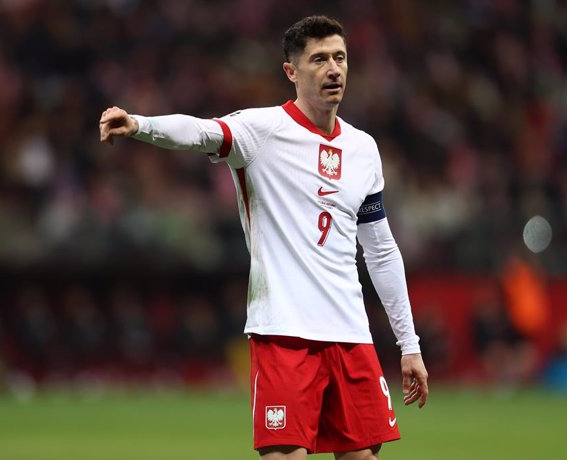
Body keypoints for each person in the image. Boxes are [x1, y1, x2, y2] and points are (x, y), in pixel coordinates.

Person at [99, 15, 428, 460]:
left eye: (340, 57)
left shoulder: (363, 149)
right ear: (291, 71)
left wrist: (409, 345)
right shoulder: (261, 131)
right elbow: (200, 132)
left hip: (352, 334)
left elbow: (382, 250)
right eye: (318, 60)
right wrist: (139, 123)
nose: (333, 69)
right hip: (284, 332)